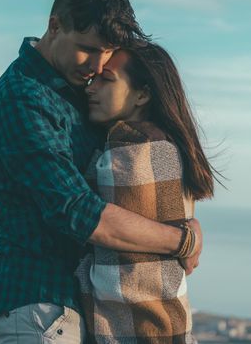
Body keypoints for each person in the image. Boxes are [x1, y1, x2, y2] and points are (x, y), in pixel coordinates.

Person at [0, 0, 203, 342]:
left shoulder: (73, 89)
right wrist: (181, 239)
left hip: (76, 305)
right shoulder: (23, 95)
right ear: (55, 26)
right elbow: (75, 211)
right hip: (41, 303)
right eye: (88, 48)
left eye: (106, 53)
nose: (97, 65)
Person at [75, 43, 216, 343]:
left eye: (106, 79)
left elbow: (82, 220)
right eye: (92, 79)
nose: (91, 88)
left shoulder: (131, 150)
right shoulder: (170, 149)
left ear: (142, 94)